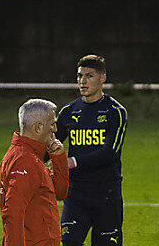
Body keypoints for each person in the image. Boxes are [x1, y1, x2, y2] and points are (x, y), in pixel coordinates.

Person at [55, 54, 127, 246]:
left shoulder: (115, 111)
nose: (83, 81)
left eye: (89, 76)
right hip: (76, 193)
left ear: (102, 78)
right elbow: (51, 146)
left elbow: (110, 153)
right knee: (69, 242)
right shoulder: (68, 112)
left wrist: (73, 162)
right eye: (79, 76)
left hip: (107, 194)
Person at [0, 98, 69, 246]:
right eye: (52, 124)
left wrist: (58, 158)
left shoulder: (32, 156)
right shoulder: (24, 161)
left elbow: (60, 192)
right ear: (38, 128)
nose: (56, 129)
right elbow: (13, 213)